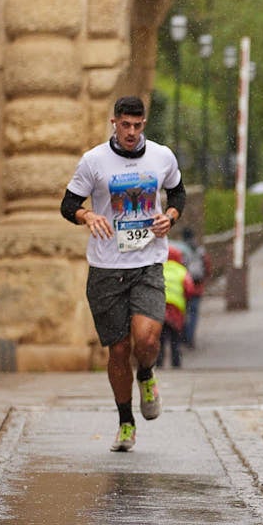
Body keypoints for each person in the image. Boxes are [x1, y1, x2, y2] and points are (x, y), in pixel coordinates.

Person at [61, 95, 185, 453]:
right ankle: (126, 422)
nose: (131, 133)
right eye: (124, 125)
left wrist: (170, 217)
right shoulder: (94, 161)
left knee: (146, 340)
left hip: (147, 264)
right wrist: (88, 216)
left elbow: (178, 193)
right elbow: (68, 204)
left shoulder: (162, 156)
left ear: (144, 124)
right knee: (118, 351)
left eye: (137, 125)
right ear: (113, 122)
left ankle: (146, 373)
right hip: (106, 268)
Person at [158, 244, 192, 369]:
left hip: (160, 308)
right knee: (175, 339)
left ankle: (159, 363)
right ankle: (176, 363)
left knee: (160, 338)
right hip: (176, 311)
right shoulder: (181, 271)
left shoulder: (160, 268)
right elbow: (189, 289)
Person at [179, 228, 209, 349]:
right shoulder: (200, 250)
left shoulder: (180, 250)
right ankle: (190, 338)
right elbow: (207, 265)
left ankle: (184, 337)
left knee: (183, 312)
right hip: (197, 286)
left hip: (184, 286)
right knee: (193, 313)